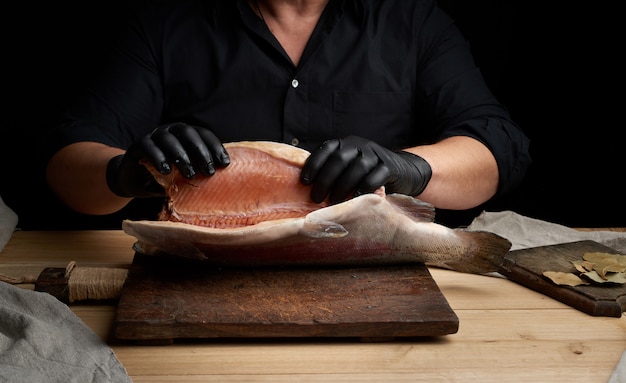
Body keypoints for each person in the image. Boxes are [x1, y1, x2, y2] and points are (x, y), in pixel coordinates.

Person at [44, 0, 531, 221]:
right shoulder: (165, 22)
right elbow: (67, 161)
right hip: (200, 278)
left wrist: (409, 167)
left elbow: (495, 147)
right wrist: (126, 173)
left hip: (372, 276)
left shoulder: (413, 20)